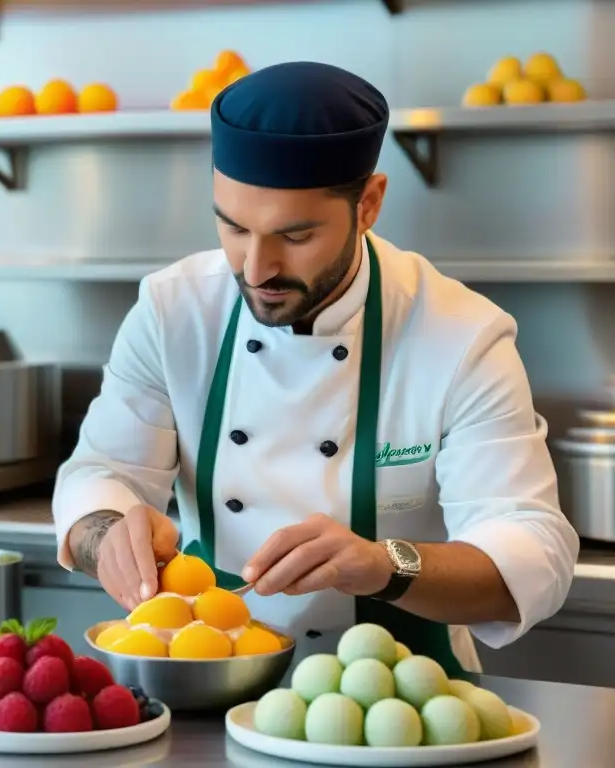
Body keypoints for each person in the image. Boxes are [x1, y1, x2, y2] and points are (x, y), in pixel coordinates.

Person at [51, 61, 579, 673]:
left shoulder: (461, 335)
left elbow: (533, 548)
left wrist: (383, 564)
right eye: (234, 227)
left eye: (295, 237)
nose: (255, 269)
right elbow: (100, 473)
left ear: (369, 204)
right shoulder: (174, 310)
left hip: (400, 695)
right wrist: (108, 533)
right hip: (212, 675)